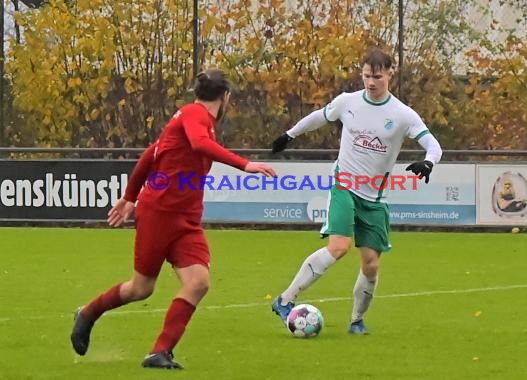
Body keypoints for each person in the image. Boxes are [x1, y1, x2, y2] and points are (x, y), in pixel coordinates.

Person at [70, 68, 276, 369]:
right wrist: (245, 165)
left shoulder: (185, 119)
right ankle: (88, 313)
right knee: (141, 288)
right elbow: (200, 144)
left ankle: (160, 352)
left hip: (186, 220)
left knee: (198, 281)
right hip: (160, 214)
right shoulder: (196, 116)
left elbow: (148, 157)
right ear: (226, 97)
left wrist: (129, 197)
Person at [270, 47, 443, 334]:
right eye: (366, 76)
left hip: (375, 199)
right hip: (344, 186)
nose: (370, 82)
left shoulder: (402, 114)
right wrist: (290, 135)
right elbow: (320, 116)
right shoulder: (348, 102)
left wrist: (429, 162)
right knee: (338, 246)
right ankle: (285, 299)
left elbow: (434, 145)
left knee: (371, 265)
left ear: (390, 74)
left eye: (377, 76)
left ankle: (356, 320)